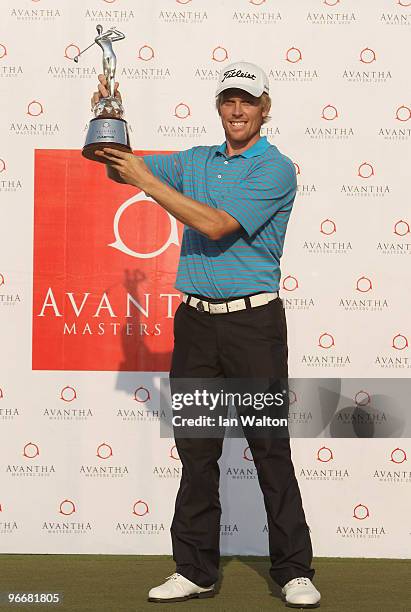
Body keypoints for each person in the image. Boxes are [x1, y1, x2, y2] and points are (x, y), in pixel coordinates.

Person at [92, 61, 321, 609]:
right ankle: (194, 569)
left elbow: (217, 225)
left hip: (253, 326)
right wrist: (107, 118)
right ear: (219, 107)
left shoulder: (276, 169)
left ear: (266, 108)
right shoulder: (197, 162)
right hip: (195, 325)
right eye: (228, 101)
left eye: (247, 101)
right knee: (197, 453)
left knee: (269, 447)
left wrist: (148, 183)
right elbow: (118, 170)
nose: (237, 111)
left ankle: (293, 571)